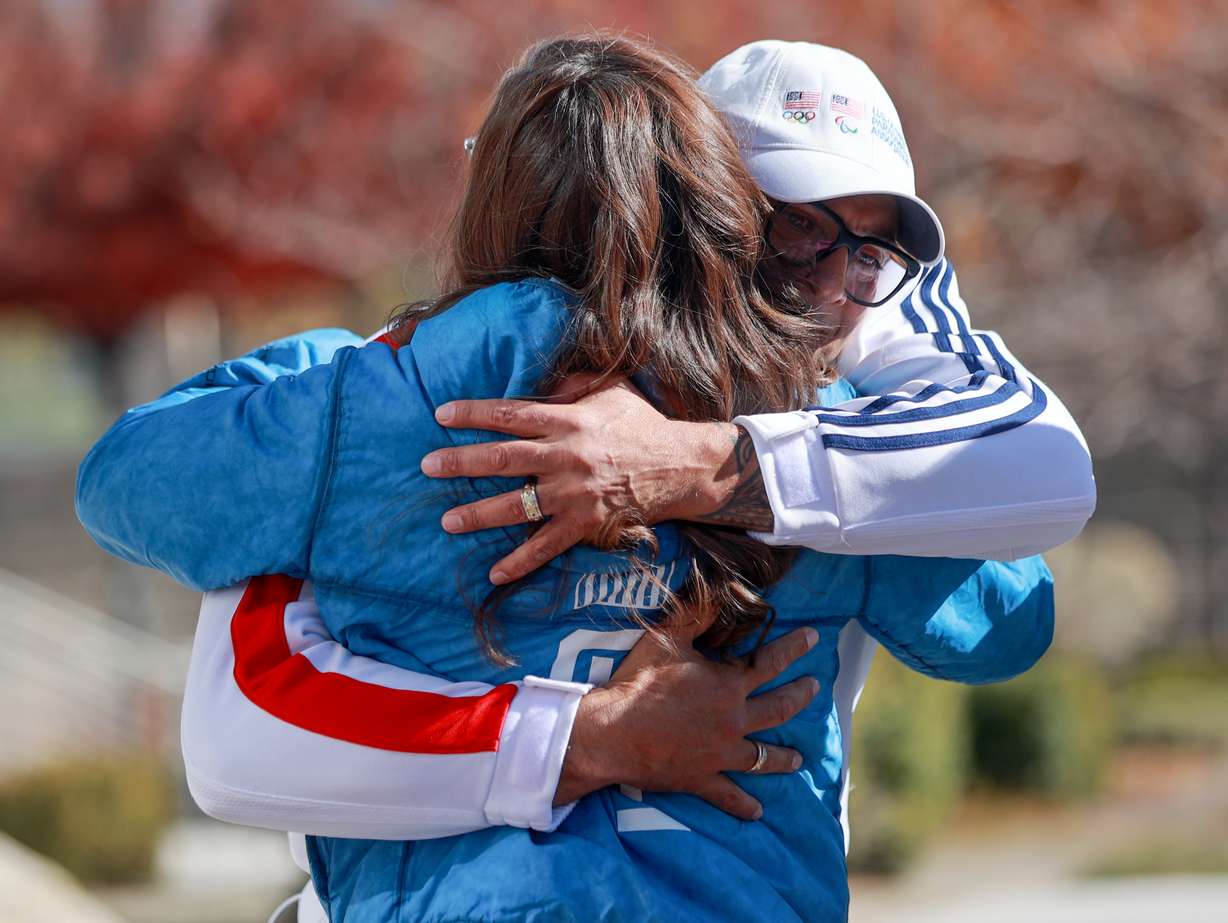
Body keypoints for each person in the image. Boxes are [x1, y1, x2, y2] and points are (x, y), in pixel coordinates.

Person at [76, 37, 1079, 923]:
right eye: (798, 229)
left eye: (871, 252)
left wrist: (725, 451)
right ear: (709, 202)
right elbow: (1006, 612)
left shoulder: (367, 394)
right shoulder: (847, 463)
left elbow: (131, 487)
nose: (826, 280)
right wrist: (590, 737)